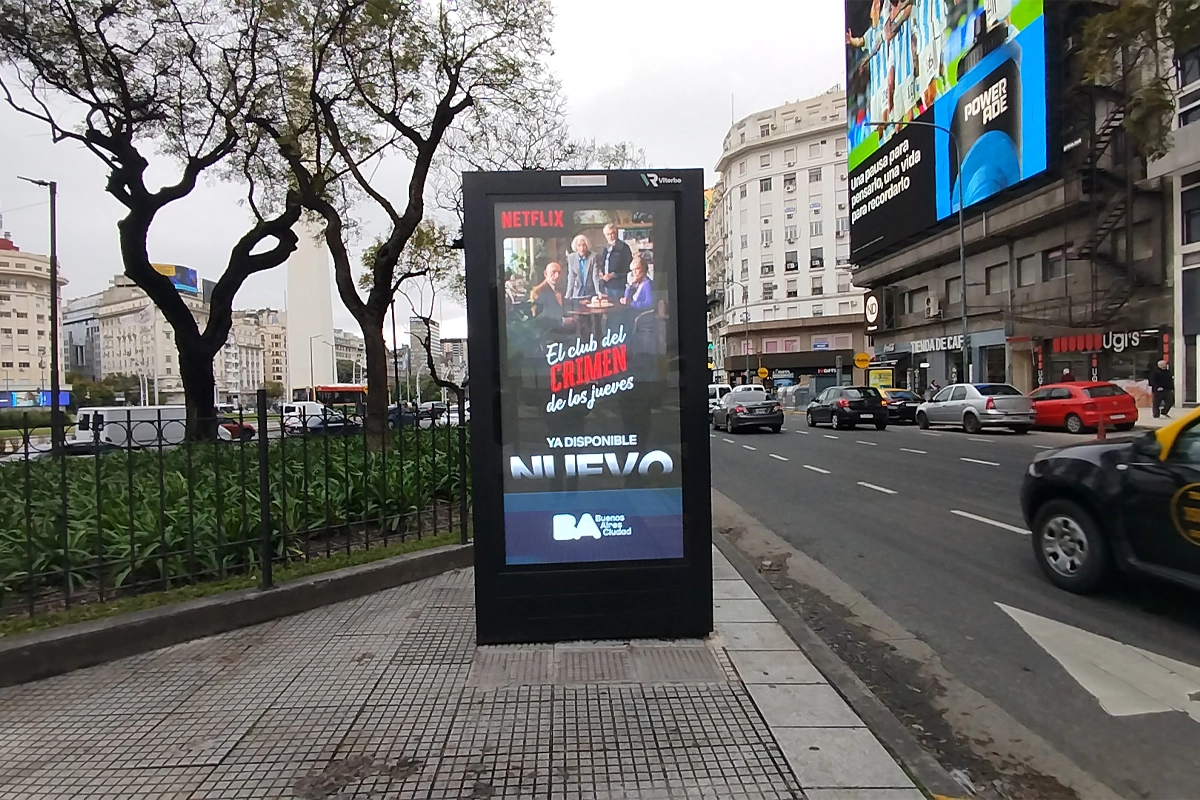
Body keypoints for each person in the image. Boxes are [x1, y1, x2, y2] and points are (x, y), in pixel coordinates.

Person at [598, 223, 633, 302]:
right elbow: (603, 263)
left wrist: (613, 275)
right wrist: (601, 272)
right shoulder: (605, 248)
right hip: (606, 284)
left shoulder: (624, 248)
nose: (610, 236)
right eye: (608, 234)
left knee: (618, 306)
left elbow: (627, 267)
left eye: (612, 233)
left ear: (616, 233)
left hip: (618, 285)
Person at [565, 234, 601, 300]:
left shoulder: (593, 256)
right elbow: (571, 277)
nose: (582, 248)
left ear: (587, 246)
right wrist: (568, 295)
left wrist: (598, 292)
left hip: (590, 291)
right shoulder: (571, 258)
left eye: (584, 245)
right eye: (579, 245)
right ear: (576, 247)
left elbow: (595, 276)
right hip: (577, 291)